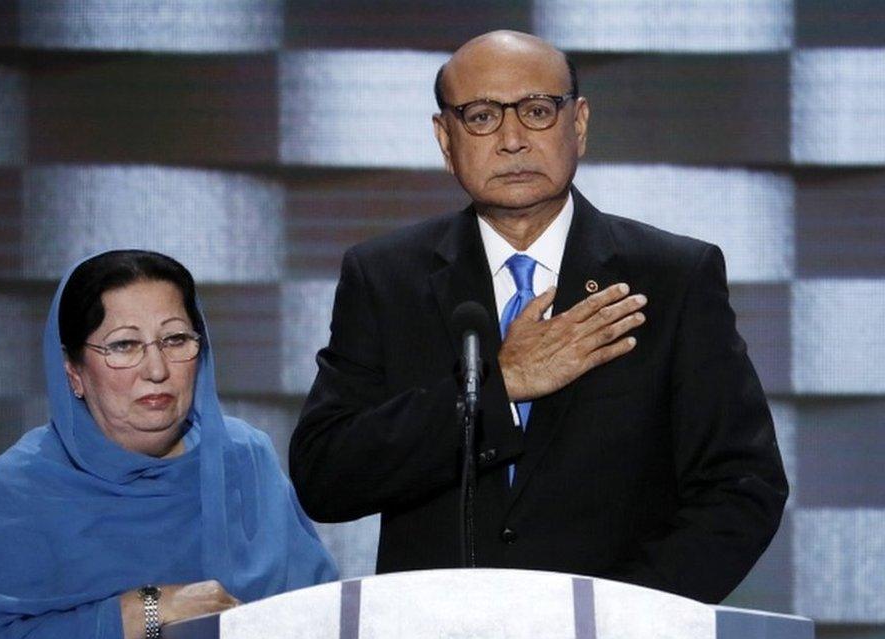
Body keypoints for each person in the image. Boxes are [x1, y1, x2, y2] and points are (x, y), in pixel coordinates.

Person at [289, 30, 787, 604]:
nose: (512, 140)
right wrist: (499, 388)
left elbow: (741, 487)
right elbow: (326, 477)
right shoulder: (385, 278)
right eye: (480, 116)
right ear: (444, 138)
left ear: (577, 124)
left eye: (536, 111)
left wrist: (623, 619)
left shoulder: (672, 276)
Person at [0, 250, 338, 639]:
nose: (156, 369)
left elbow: (320, 625)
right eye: (124, 346)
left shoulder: (243, 460)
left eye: (175, 339)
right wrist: (149, 610)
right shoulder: (23, 486)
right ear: (72, 370)